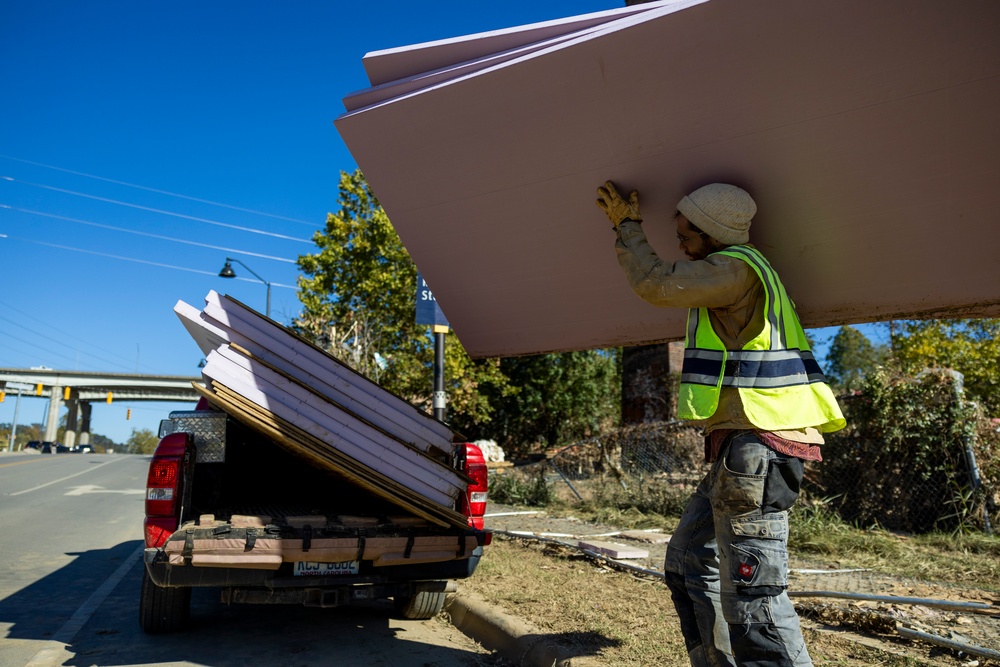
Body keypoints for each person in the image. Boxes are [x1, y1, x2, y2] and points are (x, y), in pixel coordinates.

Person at [596, 181, 845, 667]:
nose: (681, 244)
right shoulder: (738, 274)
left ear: (712, 232)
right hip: (742, 447)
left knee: (755, 593)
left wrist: (626, 226)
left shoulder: (735, 269)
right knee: (688, 563)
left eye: (686, 234)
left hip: (760, 444)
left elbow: (656, 282)